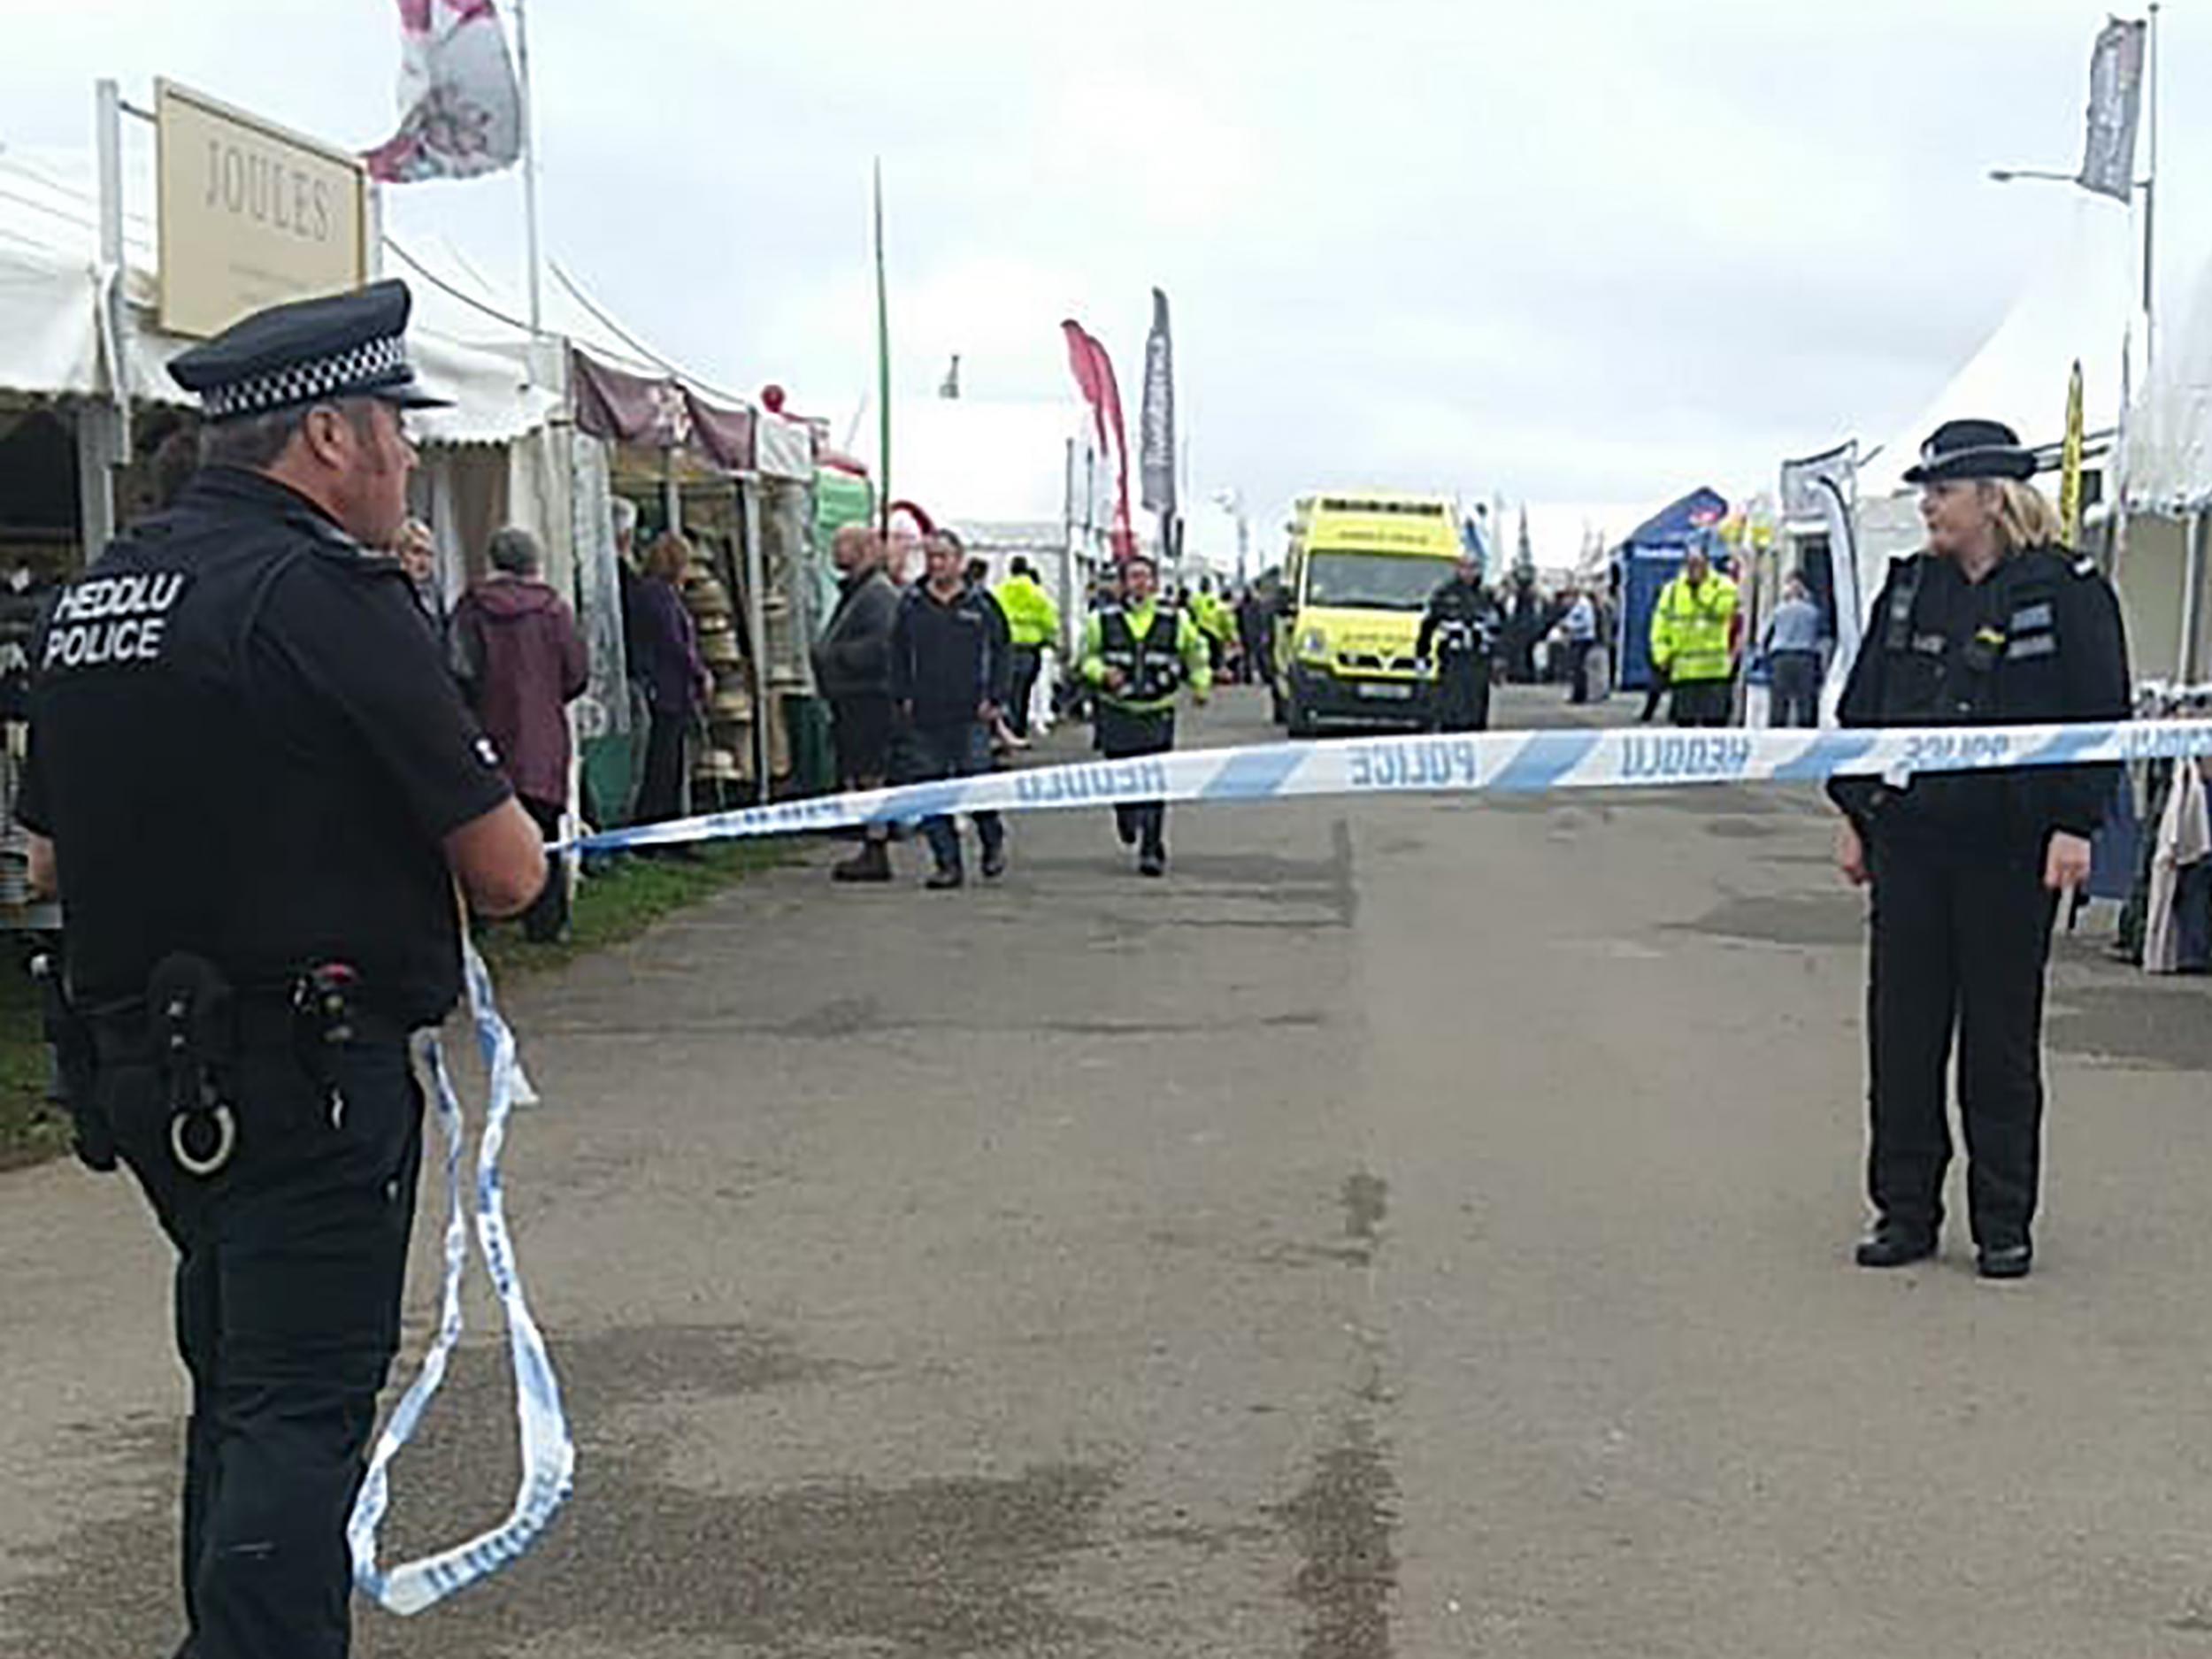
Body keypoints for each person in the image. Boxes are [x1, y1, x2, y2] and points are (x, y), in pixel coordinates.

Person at [14, 278, 547, 1659]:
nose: (411, 456)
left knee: (240, 1389)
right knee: (299, 1413)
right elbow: (508, 868)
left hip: (149, 1070)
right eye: (395, 429)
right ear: (326, 435)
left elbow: (51, 861)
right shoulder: (323, 594)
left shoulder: (95, 599)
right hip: (305, 1074)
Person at [1827, 419, 2131, 1280]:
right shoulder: (1908, 589)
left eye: (1941, 490)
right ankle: (1903, 1212)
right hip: (1913, 845)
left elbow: (2100, 713)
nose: (1926, 505)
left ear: (1991, 499)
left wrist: (2076, 824)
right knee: (1902, 1036)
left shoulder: (2068, 590)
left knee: (1998, 1043)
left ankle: (2003, 1222)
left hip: (2011, 851)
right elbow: (1863, 713)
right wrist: (1854, 812)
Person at [450, 526, 589, 941]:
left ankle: (483, 915)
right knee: (543, 829)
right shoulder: (555, 612)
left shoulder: (471, 609)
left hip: (488, 731)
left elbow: (458, 668)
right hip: (542, 735)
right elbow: (577, 674)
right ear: (534, 562)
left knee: (484, 824)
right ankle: (547, 922)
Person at [889, 531, 1010, 888]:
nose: (936, 564)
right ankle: (947, 863)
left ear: (959, 560)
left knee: (975, 780)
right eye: (930, 557)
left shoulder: (982, 604)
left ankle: (992, 839)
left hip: (971, 710)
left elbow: (1003, 651)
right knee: (930, 788)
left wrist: (996, 697)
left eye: (943, 556)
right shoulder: (911, 603)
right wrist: (902, 696)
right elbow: (896, 654)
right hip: (926, 712)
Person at [1079, 554, 1212, 876]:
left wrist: (1201, 684)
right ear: (1123, 584)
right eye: (1133, 577)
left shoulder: (1176, 619)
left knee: (1155, 783)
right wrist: (1101, 673)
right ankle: (1125, 816)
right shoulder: (1101, 620)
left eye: (1145, 577)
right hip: (1117, 712)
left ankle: (1152, 848)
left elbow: (1196, 653)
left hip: (1157, 712)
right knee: (1120, 777)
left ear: (1154, 582)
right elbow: (1085, 659)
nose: (1140, 583)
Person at [811, 524, 902, 882]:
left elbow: (883, 645)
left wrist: (837, 656)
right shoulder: (858, 591)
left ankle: (875, 847)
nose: (834, 552)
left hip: (869, 698)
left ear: (863, 548)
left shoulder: (877, 594)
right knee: (860, 771)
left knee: (871, 773)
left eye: (841, 545)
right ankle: (869, 841)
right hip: (852, 698)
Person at [631, 530, 712, 830]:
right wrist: (699, 672)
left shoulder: (655, 593)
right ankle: (659, 823)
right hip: (667, 689)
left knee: (669, 761)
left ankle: (666, 823)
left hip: (668, 687)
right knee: (665, 762)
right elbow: (674, 642)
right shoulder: (659, 595)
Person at [1649, 545, 1739, 726]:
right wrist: (1662, 656)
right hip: (1684, 674)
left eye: (1698, 563)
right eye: (1690, 564)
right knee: (1685, 731)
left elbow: (1721, 610)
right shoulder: (1672, 591)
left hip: (1715, 673)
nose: (1694, 568)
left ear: (1707, 563)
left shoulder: (1723, 586)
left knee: (1715, 730)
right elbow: (1659, 627)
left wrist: (1699, 589)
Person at [1417, 555, 1502, 732]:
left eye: (1473, 568)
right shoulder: (1444, 594)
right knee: (1451, 707)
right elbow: (1428, 626)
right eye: (1465, 567)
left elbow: (1499, 630)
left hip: (1478, 661)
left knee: (1476, 708)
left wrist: (1499, 659)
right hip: (1453, 661)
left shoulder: (1486, 597)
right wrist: (1422, 654)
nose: (1469, 572)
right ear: (1457, 568)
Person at [994, 555, 1062, 739]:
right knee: (1023, 692)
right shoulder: (1037, 593)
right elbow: (1050, 622)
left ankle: (1007, 729)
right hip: (1029, 648)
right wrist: (1050, 639)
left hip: (1006, 648)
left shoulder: (1000, 591)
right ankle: (1019, 728)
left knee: (1006, 691)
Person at [1763, 571, 1828, 728]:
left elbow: (1765, 636)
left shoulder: (1779, 610)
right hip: (1806, 657)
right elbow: (1822, 636)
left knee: (1778, 705)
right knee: (1806, 704)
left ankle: (1775, 739)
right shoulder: (1813, 611)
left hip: (1781, 657)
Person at [1558, 585, 1599, 703]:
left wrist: (1569, 627)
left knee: (1578, 667)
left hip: (1583, 638)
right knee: (1576, 667)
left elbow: (1586, 623)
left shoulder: (1584, 605)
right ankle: (1577, 694)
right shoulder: (1577, 606)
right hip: (1577, 638)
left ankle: (1579, 695)